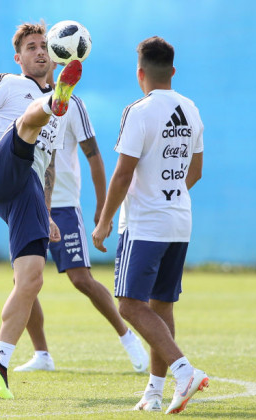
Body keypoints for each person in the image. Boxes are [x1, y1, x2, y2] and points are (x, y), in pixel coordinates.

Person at [0, 22, 81, 399]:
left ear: (54, 55)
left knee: (31, 279)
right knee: (26, 125)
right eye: (32, 47)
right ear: (18, 57)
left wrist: (49, 212)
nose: (39, 51)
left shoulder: (65, 110)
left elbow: (49, 166)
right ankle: (47, 104)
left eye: (44, 46)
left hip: (29, 189)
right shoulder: (7, 82)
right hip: (0, 164)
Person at [91, 36, 208, 414]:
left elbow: (123, 173)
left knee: (128, 305)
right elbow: (196, 171)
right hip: (179, 222)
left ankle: (184, 370)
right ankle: (155, 393)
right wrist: (168, 191)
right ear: (172, 71)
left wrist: (104, 221)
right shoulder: (191, 108)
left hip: (144, 226)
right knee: (161, 307)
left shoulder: (137, 111)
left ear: (139, 72)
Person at [15, 92, 149, 373]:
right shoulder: (20, 95)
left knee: (82, 279)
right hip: (29, 203)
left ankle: (127, 337)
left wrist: (102, 206)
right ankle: (42, 355)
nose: (43, 55)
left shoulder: (71, 103)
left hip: (63, 205)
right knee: (23, 283)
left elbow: (94, 155)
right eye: (35, 47)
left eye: (46, 47)